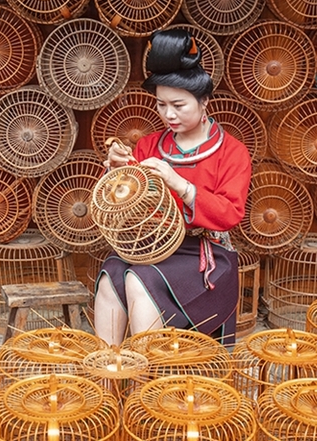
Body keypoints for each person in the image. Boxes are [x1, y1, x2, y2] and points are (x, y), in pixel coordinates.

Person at [94, 28, 253, 346]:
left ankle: (147, 384)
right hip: (149, 244)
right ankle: (108, 378)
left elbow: (231, 213)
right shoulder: (150, 145)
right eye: (161, 104)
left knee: (139, 280)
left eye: (179, 105)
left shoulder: (231, 151)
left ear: (204, 100)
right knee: (111, 275)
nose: (169, 114)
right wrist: (117, 171)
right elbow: (125, 205)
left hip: (203, 252)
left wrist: (181, 184)